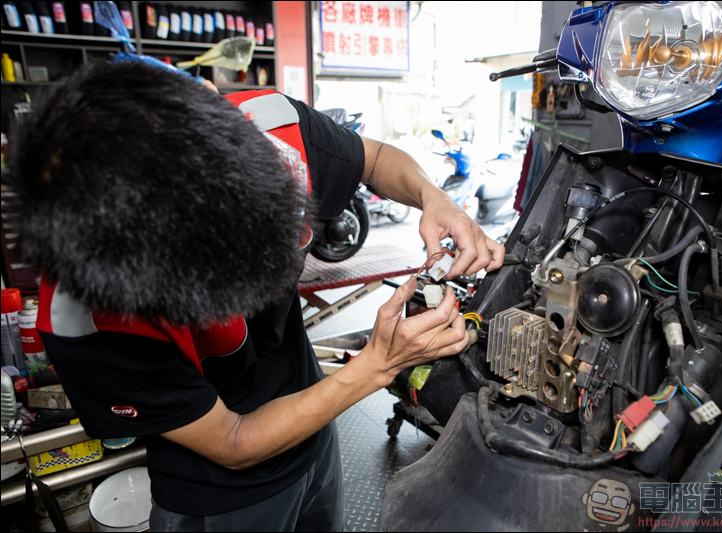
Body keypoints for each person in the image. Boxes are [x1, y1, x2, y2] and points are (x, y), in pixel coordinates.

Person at [7, 60, 504, 531]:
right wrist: (377, 363)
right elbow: (233, 440)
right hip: (221, 495)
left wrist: (435, 199)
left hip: (315, 426)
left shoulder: (270, 125)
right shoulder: (85, 323)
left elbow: (372, 158)